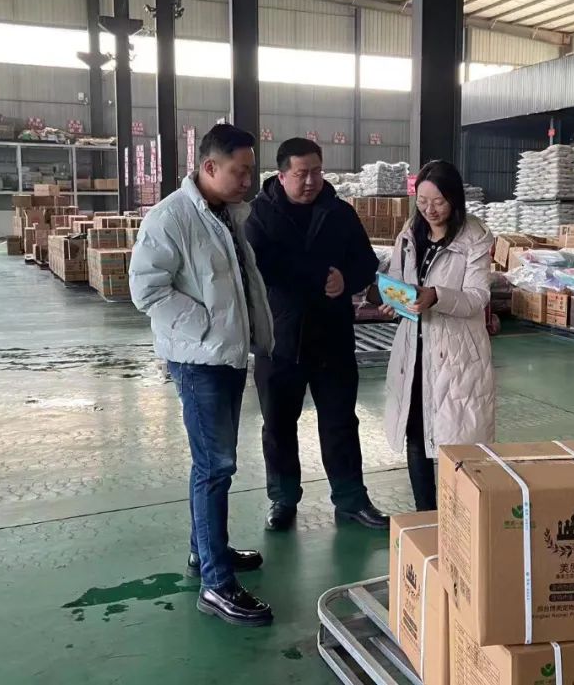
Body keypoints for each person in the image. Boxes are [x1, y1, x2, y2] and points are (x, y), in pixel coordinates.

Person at [128, 123, 276, 628]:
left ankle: (205, 551)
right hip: (200, 362)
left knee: (216, 465)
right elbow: (147, 289)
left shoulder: (227, 214)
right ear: (209, 167)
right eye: (240, 171)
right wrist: (207, 328)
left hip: (228, 356)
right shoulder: (171, 217)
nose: (248, 181)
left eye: (250, 171)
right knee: (214, 468)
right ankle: (216, 585)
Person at [245, 138, 389, 532]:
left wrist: (347, 279)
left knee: (340, 421)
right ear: (281, 175)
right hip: (279, 339)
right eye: (301, 173)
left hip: (332, 337)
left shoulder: (339, 213)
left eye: (316, 171)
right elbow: (259, 269)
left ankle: (351, 499)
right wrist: (314, 276)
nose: (310, 181)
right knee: (278, 425)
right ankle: (283, 498)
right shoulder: (259, 215)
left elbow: (366, 262)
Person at [380, 160, 496, 511]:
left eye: (438, 202)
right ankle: (425, 516)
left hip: (455, 355)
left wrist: (436, 296)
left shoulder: (474, 237)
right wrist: (393, 299)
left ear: (455, 200)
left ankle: (460, 518)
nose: (429, 210)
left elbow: (477, 297)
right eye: (422, 201)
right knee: (416, 434)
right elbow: (399, 279)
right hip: (413, 352)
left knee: (457, 440)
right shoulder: (409, 233)